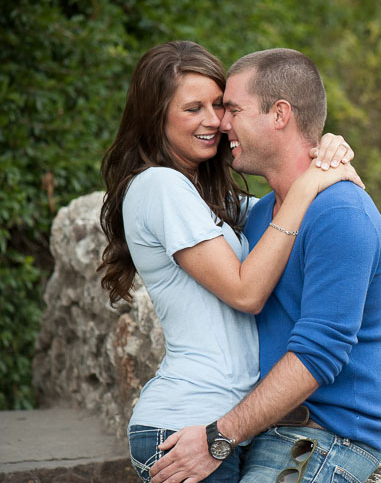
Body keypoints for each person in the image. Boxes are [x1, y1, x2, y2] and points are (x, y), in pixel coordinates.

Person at [98, 40, 361, 483]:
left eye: (220, 105)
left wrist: (325, 148)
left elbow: (276, 213)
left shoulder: (207, 197)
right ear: (155, 118)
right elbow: (246, 291)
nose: (213, 121)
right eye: (192, 108)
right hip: (185, 426)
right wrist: (307, 186)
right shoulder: (159, 186)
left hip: (226, 429)